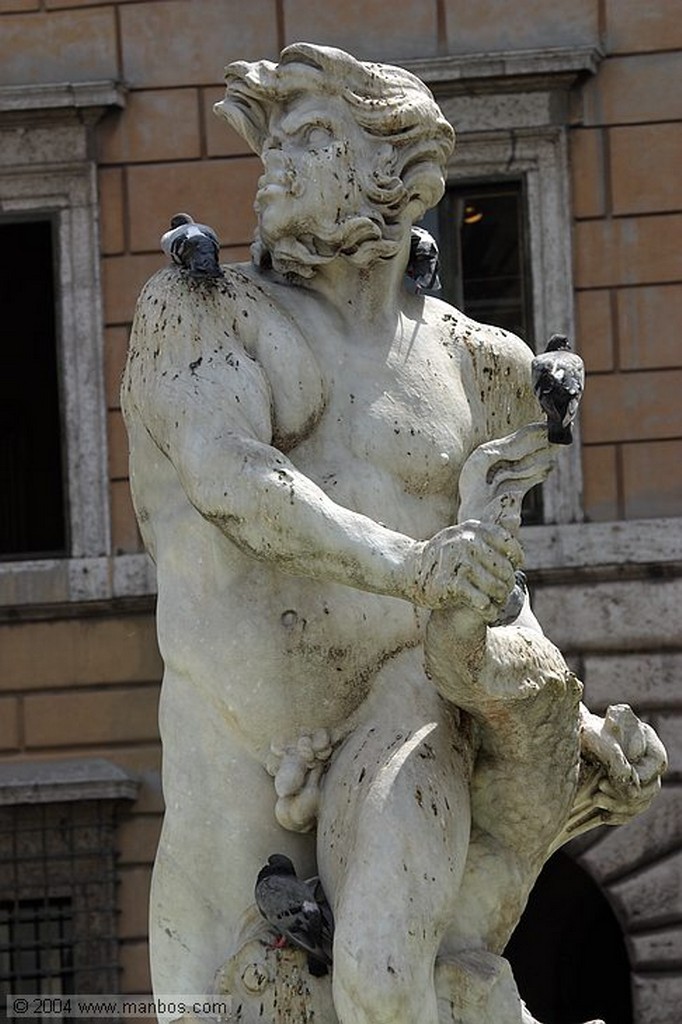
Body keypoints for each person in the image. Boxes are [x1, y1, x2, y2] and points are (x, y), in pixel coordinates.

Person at [122, 44, 660, 1024]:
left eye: (312, 138)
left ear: (395, 175)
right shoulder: (199, 315)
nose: (276, 163)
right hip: (242, 784)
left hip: (405, 735)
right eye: (272, 142)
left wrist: (553, 716)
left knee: (398, 989)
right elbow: (232, 478)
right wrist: (411, 567)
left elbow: (490, 565)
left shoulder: (473, 360)